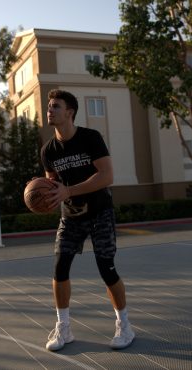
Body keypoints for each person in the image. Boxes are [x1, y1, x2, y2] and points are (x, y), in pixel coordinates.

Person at [40, 89, 134, 351]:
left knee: (107, 269)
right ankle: (64, 328)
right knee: (60, 268)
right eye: (49, 106)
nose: (49, 109)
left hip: (99, 211)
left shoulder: (91, 138)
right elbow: (53, 184)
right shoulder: (48, 151)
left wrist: (68, 191)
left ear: (69, 112)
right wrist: (41, 191)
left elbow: (106, 176)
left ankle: (124, 326)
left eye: (55, 106)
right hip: (70, 216)